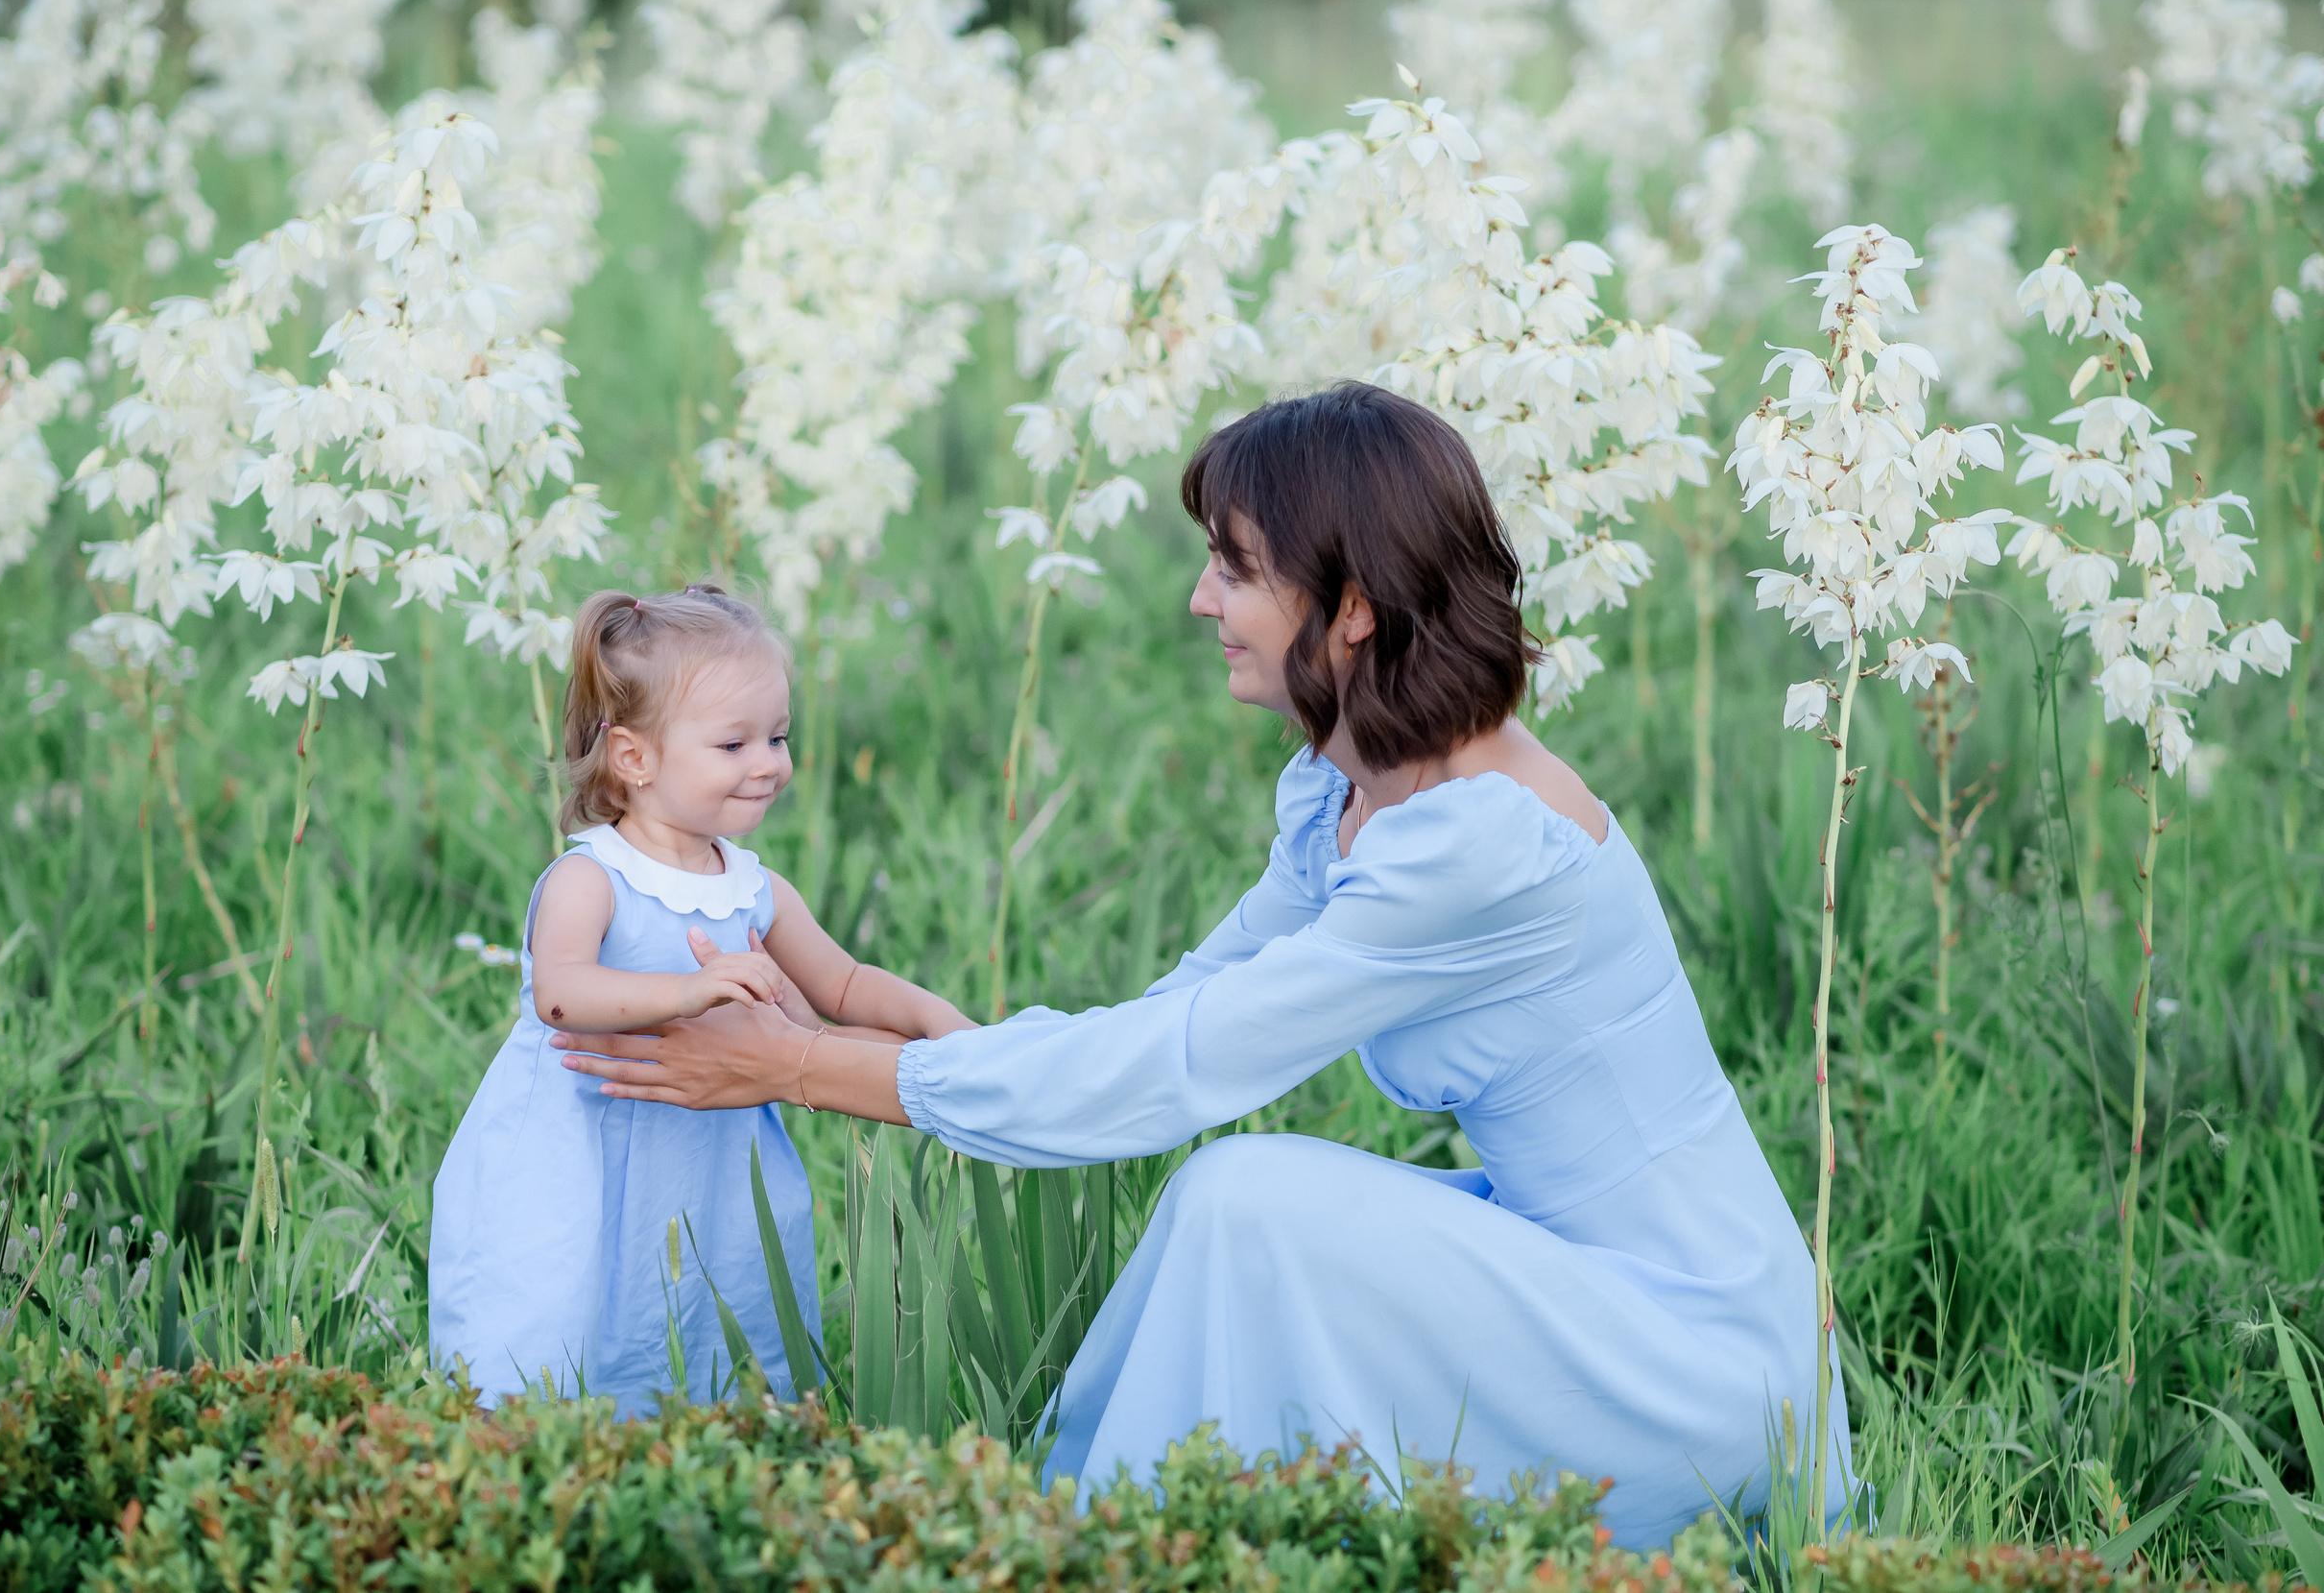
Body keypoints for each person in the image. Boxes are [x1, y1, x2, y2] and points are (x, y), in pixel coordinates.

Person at [551, 385, 1854, 1542]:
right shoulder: (1354, 791)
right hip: (1565, 1277)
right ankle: (1071, 1529)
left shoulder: (1479, 846)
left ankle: (1079, 1545)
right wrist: (930, 1049)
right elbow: (1184, 1005)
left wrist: (804, 1065)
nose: (1199, 599)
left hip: (1698, 1359)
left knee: (1249, 1199)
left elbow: (1185, 1067)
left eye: (1233, 567)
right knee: (1230, 1214)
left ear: (1349, 607)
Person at [430, 585, 973, 1415]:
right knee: (576, 1310)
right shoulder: (591, 876)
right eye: (733, 742)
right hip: (587, 1150)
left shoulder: (754, 887)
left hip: (713, 1160)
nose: (769, 762)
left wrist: (936, 1022)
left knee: (715, 1306)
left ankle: (720, 1433)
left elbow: (842, 986)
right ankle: (550, 1444)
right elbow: (561, 992)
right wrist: (689, 989)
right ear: (634, 757)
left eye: (778, 736)